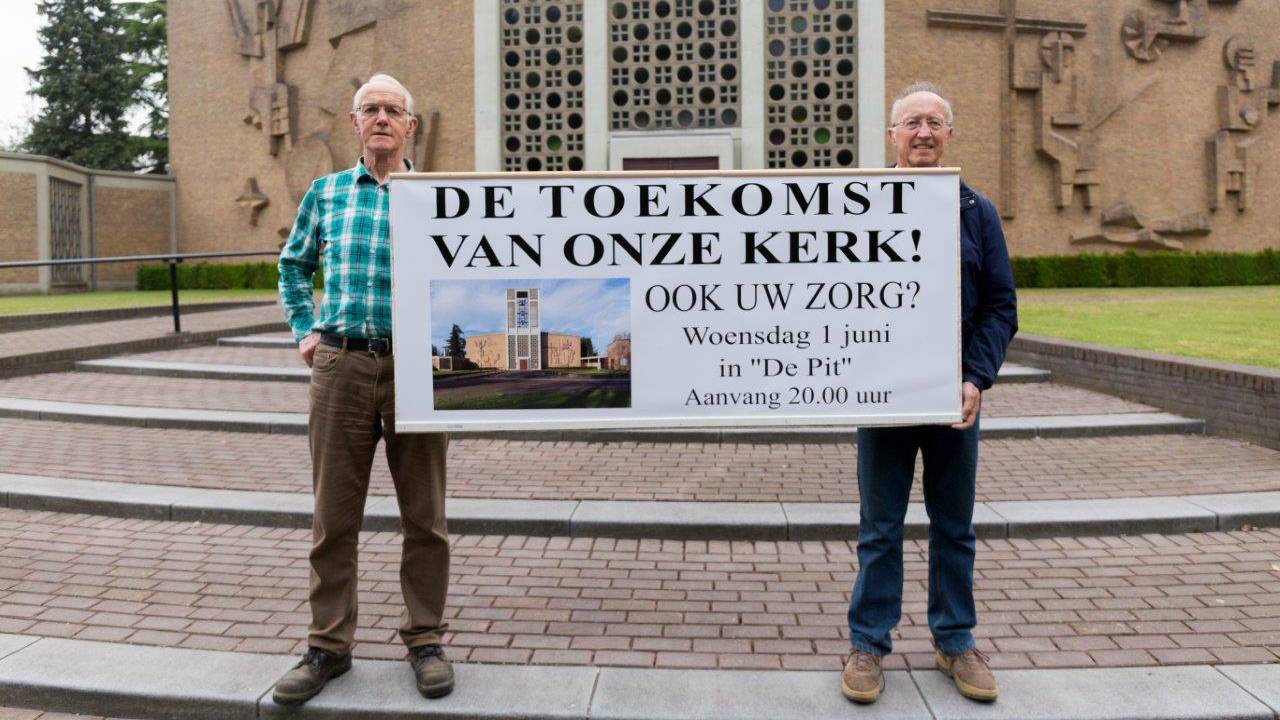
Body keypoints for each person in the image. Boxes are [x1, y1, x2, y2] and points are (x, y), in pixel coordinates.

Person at [272, 73, 454, 705]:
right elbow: (293, 264)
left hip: (417, 371)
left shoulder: (436, 197)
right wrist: (304, 330)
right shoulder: (325, 194)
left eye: (393, 110)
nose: (381, 118)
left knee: (425, 519)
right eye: (370, 109)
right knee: (333, 518)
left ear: (410, 126)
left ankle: (425, 638)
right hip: (342, 367)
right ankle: (328, 647)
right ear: (355, 123)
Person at [840, 82, 1017, 705]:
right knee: (880, 528)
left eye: (934, 123)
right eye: (911, 122)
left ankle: (955, 640)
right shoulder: (856, 206)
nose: (922, 133)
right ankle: (868, 644)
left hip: (953, 400)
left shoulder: (978, 212)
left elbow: (1000, 306)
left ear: (949, 134)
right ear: (891, 137)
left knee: (954, 527)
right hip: (883, 398)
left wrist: (976, 377)